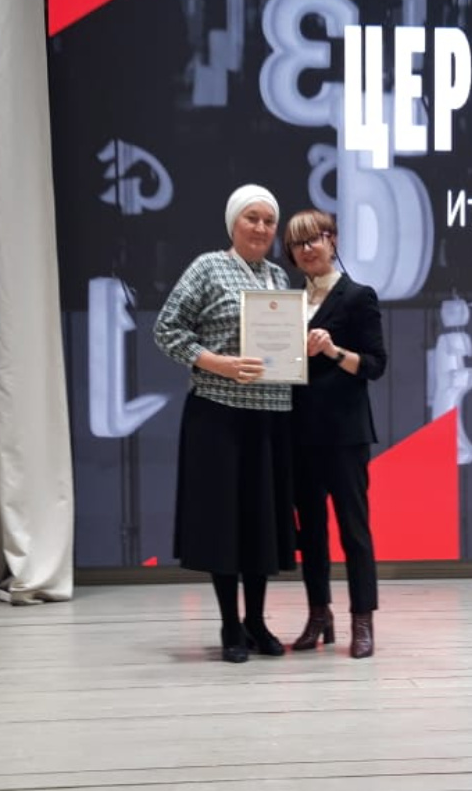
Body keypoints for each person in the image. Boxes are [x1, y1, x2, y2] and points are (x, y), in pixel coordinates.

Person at [154, 184, 297, 664]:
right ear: (233, 222)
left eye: (269, 221)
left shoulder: (279, 276)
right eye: (251, 218)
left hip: (270, 418)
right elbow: (166, 329)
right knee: (224, 523)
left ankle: (256, 620)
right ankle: (230, 624)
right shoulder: (207, 267)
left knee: (260, 523)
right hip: (218, 415)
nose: (261, 228)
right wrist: (219, 364)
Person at [282, 209, 387, 658]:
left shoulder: (358, 296)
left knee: (353, 529)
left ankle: (362, 619)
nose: (307, 249)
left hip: (345, 433)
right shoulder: (285, 304)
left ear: (333, 241)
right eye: (297, 243)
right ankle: (318, 614)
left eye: (315, 239)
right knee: (310, 534)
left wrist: (333, 350)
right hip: (299, 433)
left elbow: (376, 365)